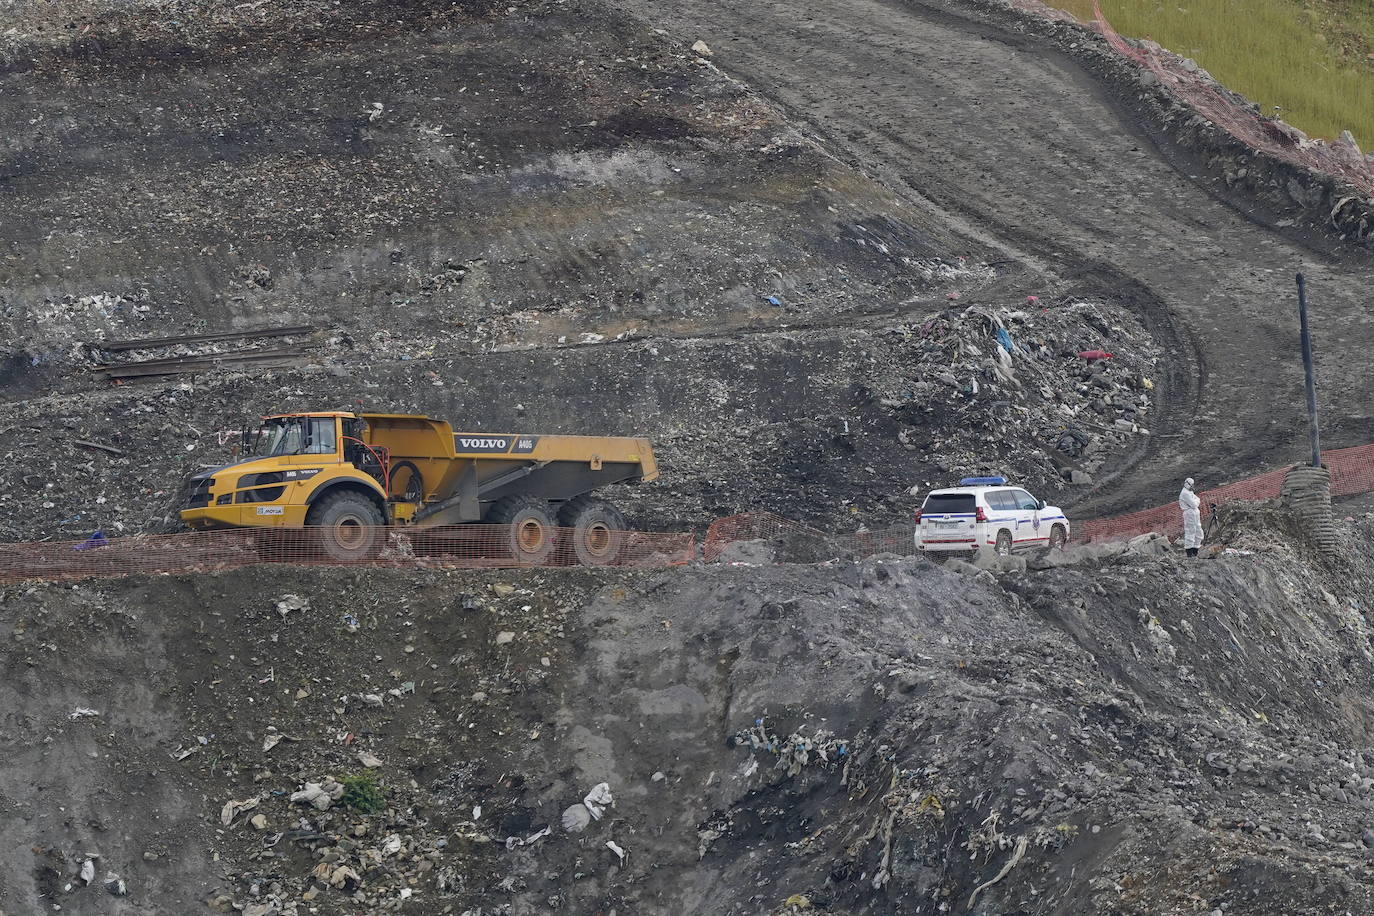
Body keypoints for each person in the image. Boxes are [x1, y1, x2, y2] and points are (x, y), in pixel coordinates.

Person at [1178, 477, 1203, 557]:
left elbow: (1197, 499)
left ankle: (1195, 551)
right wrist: (1196, 502)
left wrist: (1196, 501)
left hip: (1195, 513)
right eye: (1192, 485)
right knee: (1190, 531)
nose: (1193, 486)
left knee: (1198, 531)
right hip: (1189, 513)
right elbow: (1194, 504)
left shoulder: (1190, 492)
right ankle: (1189, 553)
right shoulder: (1185, 493)